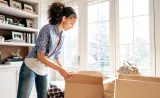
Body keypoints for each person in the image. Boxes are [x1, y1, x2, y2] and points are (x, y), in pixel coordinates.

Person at [17, 1, 77, 98]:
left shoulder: (62, 36)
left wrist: (63, 69)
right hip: (30, 67)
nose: (72, 27)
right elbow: (40, 56)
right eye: (71, 23)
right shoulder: (47, 29)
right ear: (64, 18)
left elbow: (56, 57)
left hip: (43, 70)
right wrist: (60, 70)